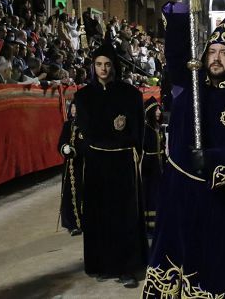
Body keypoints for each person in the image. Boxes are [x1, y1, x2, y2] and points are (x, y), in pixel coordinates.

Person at [142, 9, 225, 299]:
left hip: (219, 201)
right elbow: (175, 57)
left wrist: (213, 158)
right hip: (179, 195)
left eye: (224, 52)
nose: (216, 57)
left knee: (213, 271)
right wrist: (178, 16)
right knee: (172, 264)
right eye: (212, 50)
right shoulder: (190, 87)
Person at [75, 42, 147, 287]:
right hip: (97, 164)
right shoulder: (83, 97)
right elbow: (85, 132)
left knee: (123, 216)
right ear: (92, 67)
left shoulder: (130, 95)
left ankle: (126, 267)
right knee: (99, 216)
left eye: (107, 64)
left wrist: (128, 144)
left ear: (114, 66)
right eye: (98, 65)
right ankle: (102, 264)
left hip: (122, 162)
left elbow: (138, 131)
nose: (103, 69)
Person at [57, 96, 84, 236]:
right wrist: (66, 148)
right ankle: (73, 224)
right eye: (72, 107)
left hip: (85, 165)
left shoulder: (87, 125)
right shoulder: (67, 125)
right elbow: (60, 144)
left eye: (76, 107)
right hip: (72, 166)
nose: (73, 110)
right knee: (71, 194)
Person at [141, 96, 165, 238]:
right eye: (156, 110)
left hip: (160, 163)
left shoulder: (159, 128)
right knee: (150, 193)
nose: (158, 112)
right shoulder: (146, 129)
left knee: (160, 193)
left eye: (159, 109)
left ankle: (160, 223)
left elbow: (162, 146)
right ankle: (150, 226)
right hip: (150, 165)